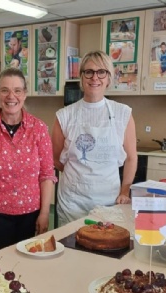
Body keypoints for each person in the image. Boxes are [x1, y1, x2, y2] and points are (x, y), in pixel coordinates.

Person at [0, 67, 57, 252]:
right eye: (5, 90)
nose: (11, 96)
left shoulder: (38, 128)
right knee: (1, 268)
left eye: (17, 90)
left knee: (29, 267)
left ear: (24, 94)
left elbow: (47, 175)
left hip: (31, 214)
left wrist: (44, 213)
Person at [51, 50, 138, 226]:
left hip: (110, 201)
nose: (95, 78)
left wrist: (125, 190)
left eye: (101, 72)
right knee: (71, 248)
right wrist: (78, 177)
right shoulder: (64, 116)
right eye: (89, 72)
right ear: (82, 77)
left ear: (108, 78)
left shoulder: (123, 113)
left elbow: (131, 157)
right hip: (72, 203)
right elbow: (54, 158)